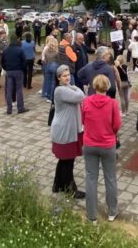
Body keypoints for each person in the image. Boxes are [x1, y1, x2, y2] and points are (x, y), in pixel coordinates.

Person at [81, 74, 121, 223]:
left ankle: (91, 215)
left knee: (91, 178)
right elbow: (117, 124)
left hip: (90, 143)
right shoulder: (113, 104)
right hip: (107, 144)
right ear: (107, 87)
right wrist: (111, 133)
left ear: (94, 86)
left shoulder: (86, 101)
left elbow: (83, 120)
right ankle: (112, 211)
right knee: (110, 178)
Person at [51, 65, 85, 199]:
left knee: (64, 160)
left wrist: (74, 87)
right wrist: (76, 87)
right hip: (64, 130)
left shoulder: (67, 88)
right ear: (58, 78)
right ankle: (70, 189)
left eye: (68, 75)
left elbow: (78, 93)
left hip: (68, 129)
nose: (67, 78)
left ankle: (57, 185)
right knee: (68, 161)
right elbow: (81, 96)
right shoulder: (60, 90)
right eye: (64, 76)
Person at [3, 35, 28, 115]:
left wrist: (6, 68)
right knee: (19, 90)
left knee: (9, 90)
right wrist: (22, 68)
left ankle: (9, 109)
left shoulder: (5, 50)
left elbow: (2, 62)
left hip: (9, 71)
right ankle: (20, 108)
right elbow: (25, 61)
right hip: (18, 71)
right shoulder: (20, 50)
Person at [41, 36, 59, 101]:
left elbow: (43, 58)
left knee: (47, 81)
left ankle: (47, 95)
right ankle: (52, 97)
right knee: (53, 82)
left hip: (47, 66)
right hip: (54, 66)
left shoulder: (46, 49)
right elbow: (58, 60)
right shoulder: (57, 50)